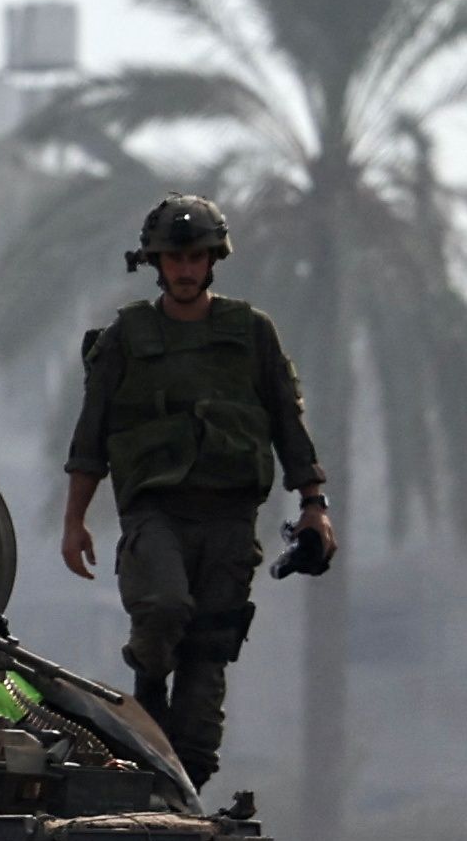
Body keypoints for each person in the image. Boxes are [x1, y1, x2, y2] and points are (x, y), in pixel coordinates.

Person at [56, 193, 332, 788]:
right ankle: (147, 687)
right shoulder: (129, 335)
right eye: (173, 258)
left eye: (195, 257)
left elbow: (288, 423)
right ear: (155, 263)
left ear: (213, 260)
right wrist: (74, 521)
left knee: (205, 675)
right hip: (156, 511)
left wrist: (314, 506)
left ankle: (181, 792)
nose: (184, 269)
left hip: (230, 520)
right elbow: (91, 436)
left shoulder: (250, 333)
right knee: (161, 609)